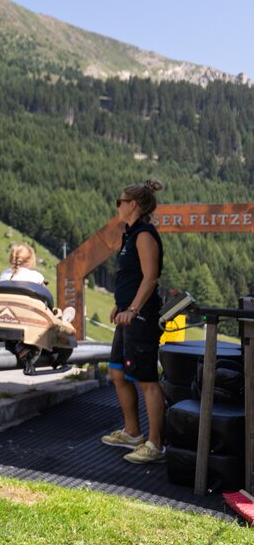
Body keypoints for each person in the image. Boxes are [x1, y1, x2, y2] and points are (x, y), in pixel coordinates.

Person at [100, 179, 166, 465]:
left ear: (134, 205)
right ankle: (132, 432)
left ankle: (155, 444)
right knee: (117, 372)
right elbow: (130, 277)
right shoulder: (130, 234)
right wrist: (118, 305)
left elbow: (150, 277)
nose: (118, 205)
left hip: (141, 315)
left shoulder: (145, 235)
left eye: (121, 201)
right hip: (127, 313)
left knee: (146, 379)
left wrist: (134, 308)